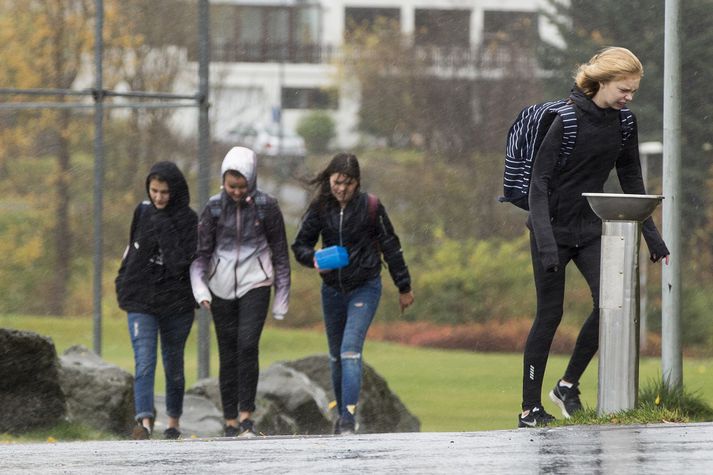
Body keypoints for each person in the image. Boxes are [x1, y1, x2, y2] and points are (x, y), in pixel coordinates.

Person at [519, 47, 670, 428]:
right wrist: (547, 242)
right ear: (602, 82)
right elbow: (538, 184)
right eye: (624, 89)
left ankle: (567, 385)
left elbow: (631, 181)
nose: (629, 97)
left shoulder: (624, 123)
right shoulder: (565, 119)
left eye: (633, 91)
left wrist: (652, 235)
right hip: (550, 229)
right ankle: (529, 410)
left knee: (611, 305)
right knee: (549, 316)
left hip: (589, 229)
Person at [291, 152, 414, 435]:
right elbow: (300, 246)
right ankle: (341, 415)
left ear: (357, 183)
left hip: (365, 287)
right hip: (332, 290)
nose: (342, 189)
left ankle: (348, 419)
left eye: (348, 183)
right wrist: (315, 258)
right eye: (337, 182)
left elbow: (391, 246)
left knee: (350, 351)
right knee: (335, 357)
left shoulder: (371, 207)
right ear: (329, 180)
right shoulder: (321, 208)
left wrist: (404, 286)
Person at [190, 146, 290, 437]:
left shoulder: (266, 207)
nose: (235, 191)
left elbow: (280, 254)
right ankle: (230, 419)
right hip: (220, 287)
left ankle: (247, 415)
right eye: (230, 185)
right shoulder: (213, 208)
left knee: (247, 345)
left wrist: (281, 300)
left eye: (241, 185)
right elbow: (200, 255)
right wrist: (201, 290)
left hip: (256, 283)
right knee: (228, 352)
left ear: (252, 179)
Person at [115, 161, 198, 440]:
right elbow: (133, 248)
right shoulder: (142, 211)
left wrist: (162, 221)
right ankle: (145, 422)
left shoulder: (188, 219)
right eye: (154, 191)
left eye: (164, 192)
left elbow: (178, 263)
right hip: (141, 300)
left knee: (173, 365)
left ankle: (173, 422)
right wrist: (122, 281)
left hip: (177, 303)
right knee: (145, 361)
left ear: (174, 191)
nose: (158, 197)